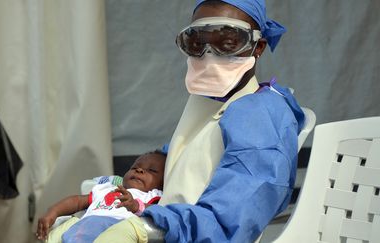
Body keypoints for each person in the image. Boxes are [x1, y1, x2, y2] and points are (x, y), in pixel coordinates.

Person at [94, 0, 306, 242]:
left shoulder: (262, 116)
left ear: (258, 47)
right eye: (196, 43)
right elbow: (182, 159)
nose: (209, 56)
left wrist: (151, 226)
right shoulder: (210, 98)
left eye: (227, 42)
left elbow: (230, 219)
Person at [35, 150, 166, 242]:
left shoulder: (152, 195)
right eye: (134, 167)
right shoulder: (107, 188)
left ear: (162, 183)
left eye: (152, 170)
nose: (139, 170)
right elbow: (77, 201)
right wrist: (52, 212)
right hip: (83, 227)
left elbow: (158, 211)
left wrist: (136, 205)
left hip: (115, 229)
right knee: (54, 236)